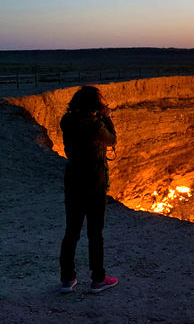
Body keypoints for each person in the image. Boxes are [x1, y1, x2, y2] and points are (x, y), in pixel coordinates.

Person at [59, 85, 119, 294]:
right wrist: (106, 117)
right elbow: (112, 140)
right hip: (94, 183)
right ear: (94, 105)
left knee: (71, 232)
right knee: (95, 234)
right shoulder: (95, 125)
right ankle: (98, 279)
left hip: (73, 181)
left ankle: (67, 279)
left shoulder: (66, 121)